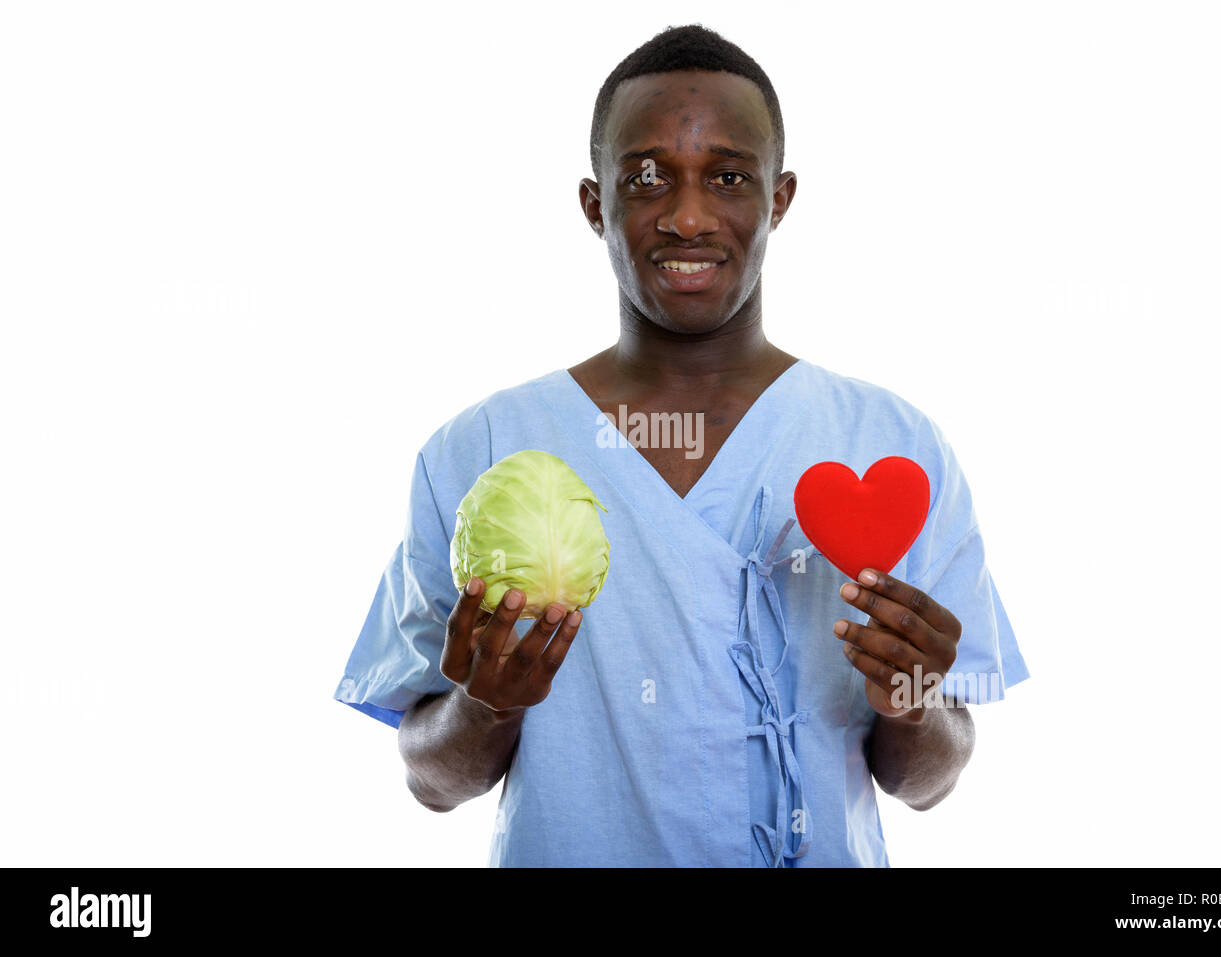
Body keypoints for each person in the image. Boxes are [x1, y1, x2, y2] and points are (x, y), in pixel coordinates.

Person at [333, 24, 1029, 867]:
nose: (689, 215)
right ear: (597, 205)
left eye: (729, 177)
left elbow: (927, 782)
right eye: (649, 179)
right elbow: (433, 781)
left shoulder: (892, 445)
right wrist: (484, 705)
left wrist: (913, 699)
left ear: (779, 198)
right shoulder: (480, 448)